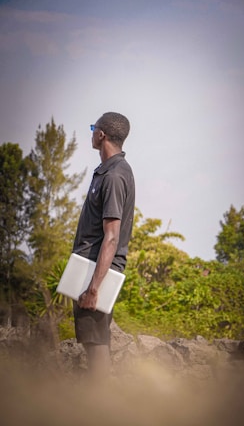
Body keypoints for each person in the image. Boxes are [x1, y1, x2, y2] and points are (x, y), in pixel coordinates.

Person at [72, 112, 135, 380]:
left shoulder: (114, 176)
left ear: (101, 135)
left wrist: (94, 288)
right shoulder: (108, 171)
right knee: (91, 340)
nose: (92, 133)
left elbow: (111, 237)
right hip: (88, 267)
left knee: (96, 342)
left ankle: (100, 408)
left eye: (92, 128)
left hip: (97, 271)